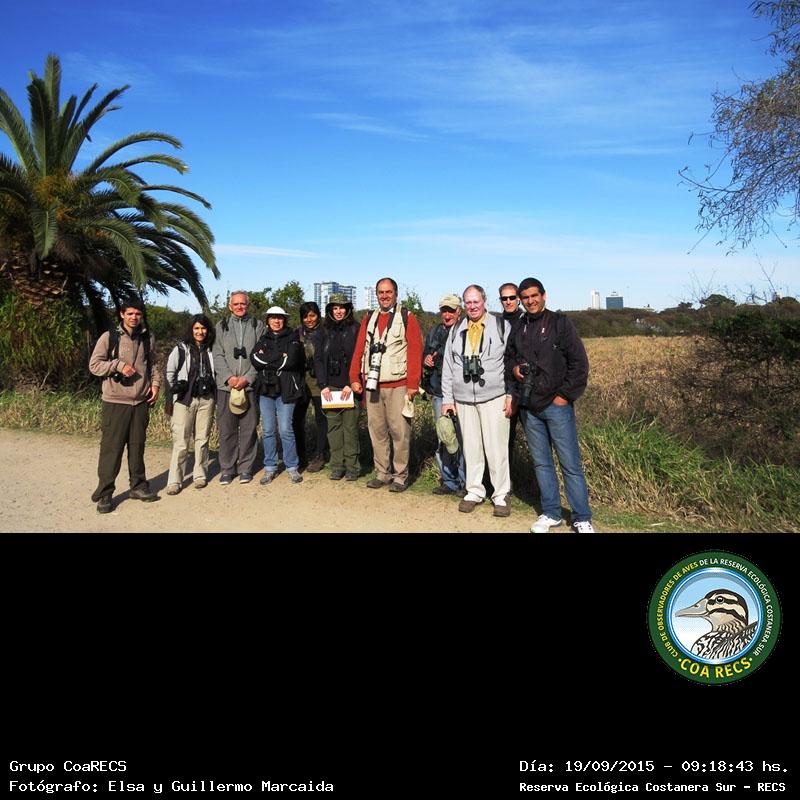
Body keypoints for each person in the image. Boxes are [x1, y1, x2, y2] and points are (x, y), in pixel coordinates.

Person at [505, 277, 594, 533]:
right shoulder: (519, 326)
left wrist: (564, 396)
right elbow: (509, 357)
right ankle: (551, 513)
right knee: (542, 463)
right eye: (525, 298)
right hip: (529, 407)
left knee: (570, 464)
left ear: (544, 296)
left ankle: (582, 517)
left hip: (557, 405)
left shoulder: (560, 323)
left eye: (534, 296)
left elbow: (579, 364)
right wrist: (515, 369)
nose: (530, 301)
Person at [441, 285, 513, 517]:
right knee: (471, 448)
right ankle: (474, 491)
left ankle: (501, 494)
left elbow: (511, 362)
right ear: (464, 305)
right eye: (468, 302)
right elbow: (448, 367)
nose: (472, 306)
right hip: (463, 399)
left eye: (476, 301)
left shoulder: (501, 326)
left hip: (494, 397)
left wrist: (511, 394)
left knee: (496, 448)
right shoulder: (456, 330)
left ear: (484, 301)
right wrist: (447, 399)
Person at [349, 277, 423, 492]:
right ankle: (382, 473)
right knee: (377, 431)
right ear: (376, 295)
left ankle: (400, 476)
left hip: (398, 384)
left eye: (388, 292)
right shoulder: (368, 318)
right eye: (381, 292)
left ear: (396, 294)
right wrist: (354, 377)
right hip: (373, 385)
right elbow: (360, 348)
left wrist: (413, 384)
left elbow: (415, 351)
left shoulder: (407, 317)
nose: (384, 296)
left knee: (400, 432)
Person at [89, 297, 161, 513]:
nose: (134, 317)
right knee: (112, 449)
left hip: (140, 402)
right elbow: (94, 365)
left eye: (138, 314)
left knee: (137, 447)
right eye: (130, 313)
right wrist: (118, 366)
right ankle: (105, 493)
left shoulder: (147, 338)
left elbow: (154, 365)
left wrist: (155, 385)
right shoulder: (109, 337)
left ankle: (138, 486)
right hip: (115, 402)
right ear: (122, 314)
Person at [212, 290, 266, 485]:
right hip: (226, 387)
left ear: (248, 305)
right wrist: (229, 378)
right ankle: (227, 468)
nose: (239, 307)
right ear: (230, 306)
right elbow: (217, 354)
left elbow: (261, 355)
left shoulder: (258, 325)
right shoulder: (221, 326)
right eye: (236, 304)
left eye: (243, 304)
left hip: (249, 387)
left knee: (248, 429)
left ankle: (245, 468)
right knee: (227, 430)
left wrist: (248, 378)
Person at [250, 306, 305, 485]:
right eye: (273, 317)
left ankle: (292, 467)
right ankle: (270, 467)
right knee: (268, 431)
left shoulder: (293, 338)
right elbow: (254, 359)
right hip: (266, 391)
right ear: (267, 320)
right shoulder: (262, 339)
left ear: (284, 320)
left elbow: (292, 360)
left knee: (285, 430)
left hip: (287, 391)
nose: (276, 321)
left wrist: (267, 359)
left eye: (280, 318)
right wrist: (280, 356)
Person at [164, 313, 217, 494]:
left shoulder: (211, 349)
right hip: (184, 400)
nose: (200, 332)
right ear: (191, 329)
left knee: (202, 439)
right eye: (196, 328)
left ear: (208, 330)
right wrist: (171, 399)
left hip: (206, 399)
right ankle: (175, 480)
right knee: (181, 440)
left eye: (203, 328)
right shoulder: (180, 349)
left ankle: (200, 475)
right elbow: (169, 374)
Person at [422, 293, 466, 496]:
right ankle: (449, 481)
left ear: (459, 311)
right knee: (444, 437)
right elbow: (425, 355)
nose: (447, 315)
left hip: (462, 395)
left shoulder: (466, 331)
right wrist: (426, 360)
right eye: (444, 311)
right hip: (439, 393)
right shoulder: (434, 332)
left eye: (451, 311)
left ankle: (466, 482)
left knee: (463, 439)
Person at [315, 293, 361, 481]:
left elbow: (360, 357)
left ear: (348, 309)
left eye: (342, 307)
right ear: (330, 310)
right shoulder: (323, 331)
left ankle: (352, 468)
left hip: (350, 387)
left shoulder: (356, 329)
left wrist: (352, 383)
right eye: (335, 308)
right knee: (333, 429)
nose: (339, 311)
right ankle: (337, 466)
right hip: (331, 388)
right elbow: (318, 359)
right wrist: (323, 385)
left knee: (350, 429)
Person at [293, 301, 329, 472]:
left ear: (318, 316)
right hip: (300, 382)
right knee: (297, 419)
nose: (309, 319)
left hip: (318, 383)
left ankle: (321, 454)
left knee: (322, 420)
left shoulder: (325, 333)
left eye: (312, 315)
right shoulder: (296, 333)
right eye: (306, 316)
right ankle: (300, 455)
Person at [498, 282, 525, 492]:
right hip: (503, 389)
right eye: (504, 298)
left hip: (525, 388)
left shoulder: (526, 321)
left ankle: (538, 488)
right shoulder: (496, 323)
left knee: (537, 441)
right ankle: (505, 484)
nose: (508, 302)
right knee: (505, 440)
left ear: (518, 299)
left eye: (512, 298)